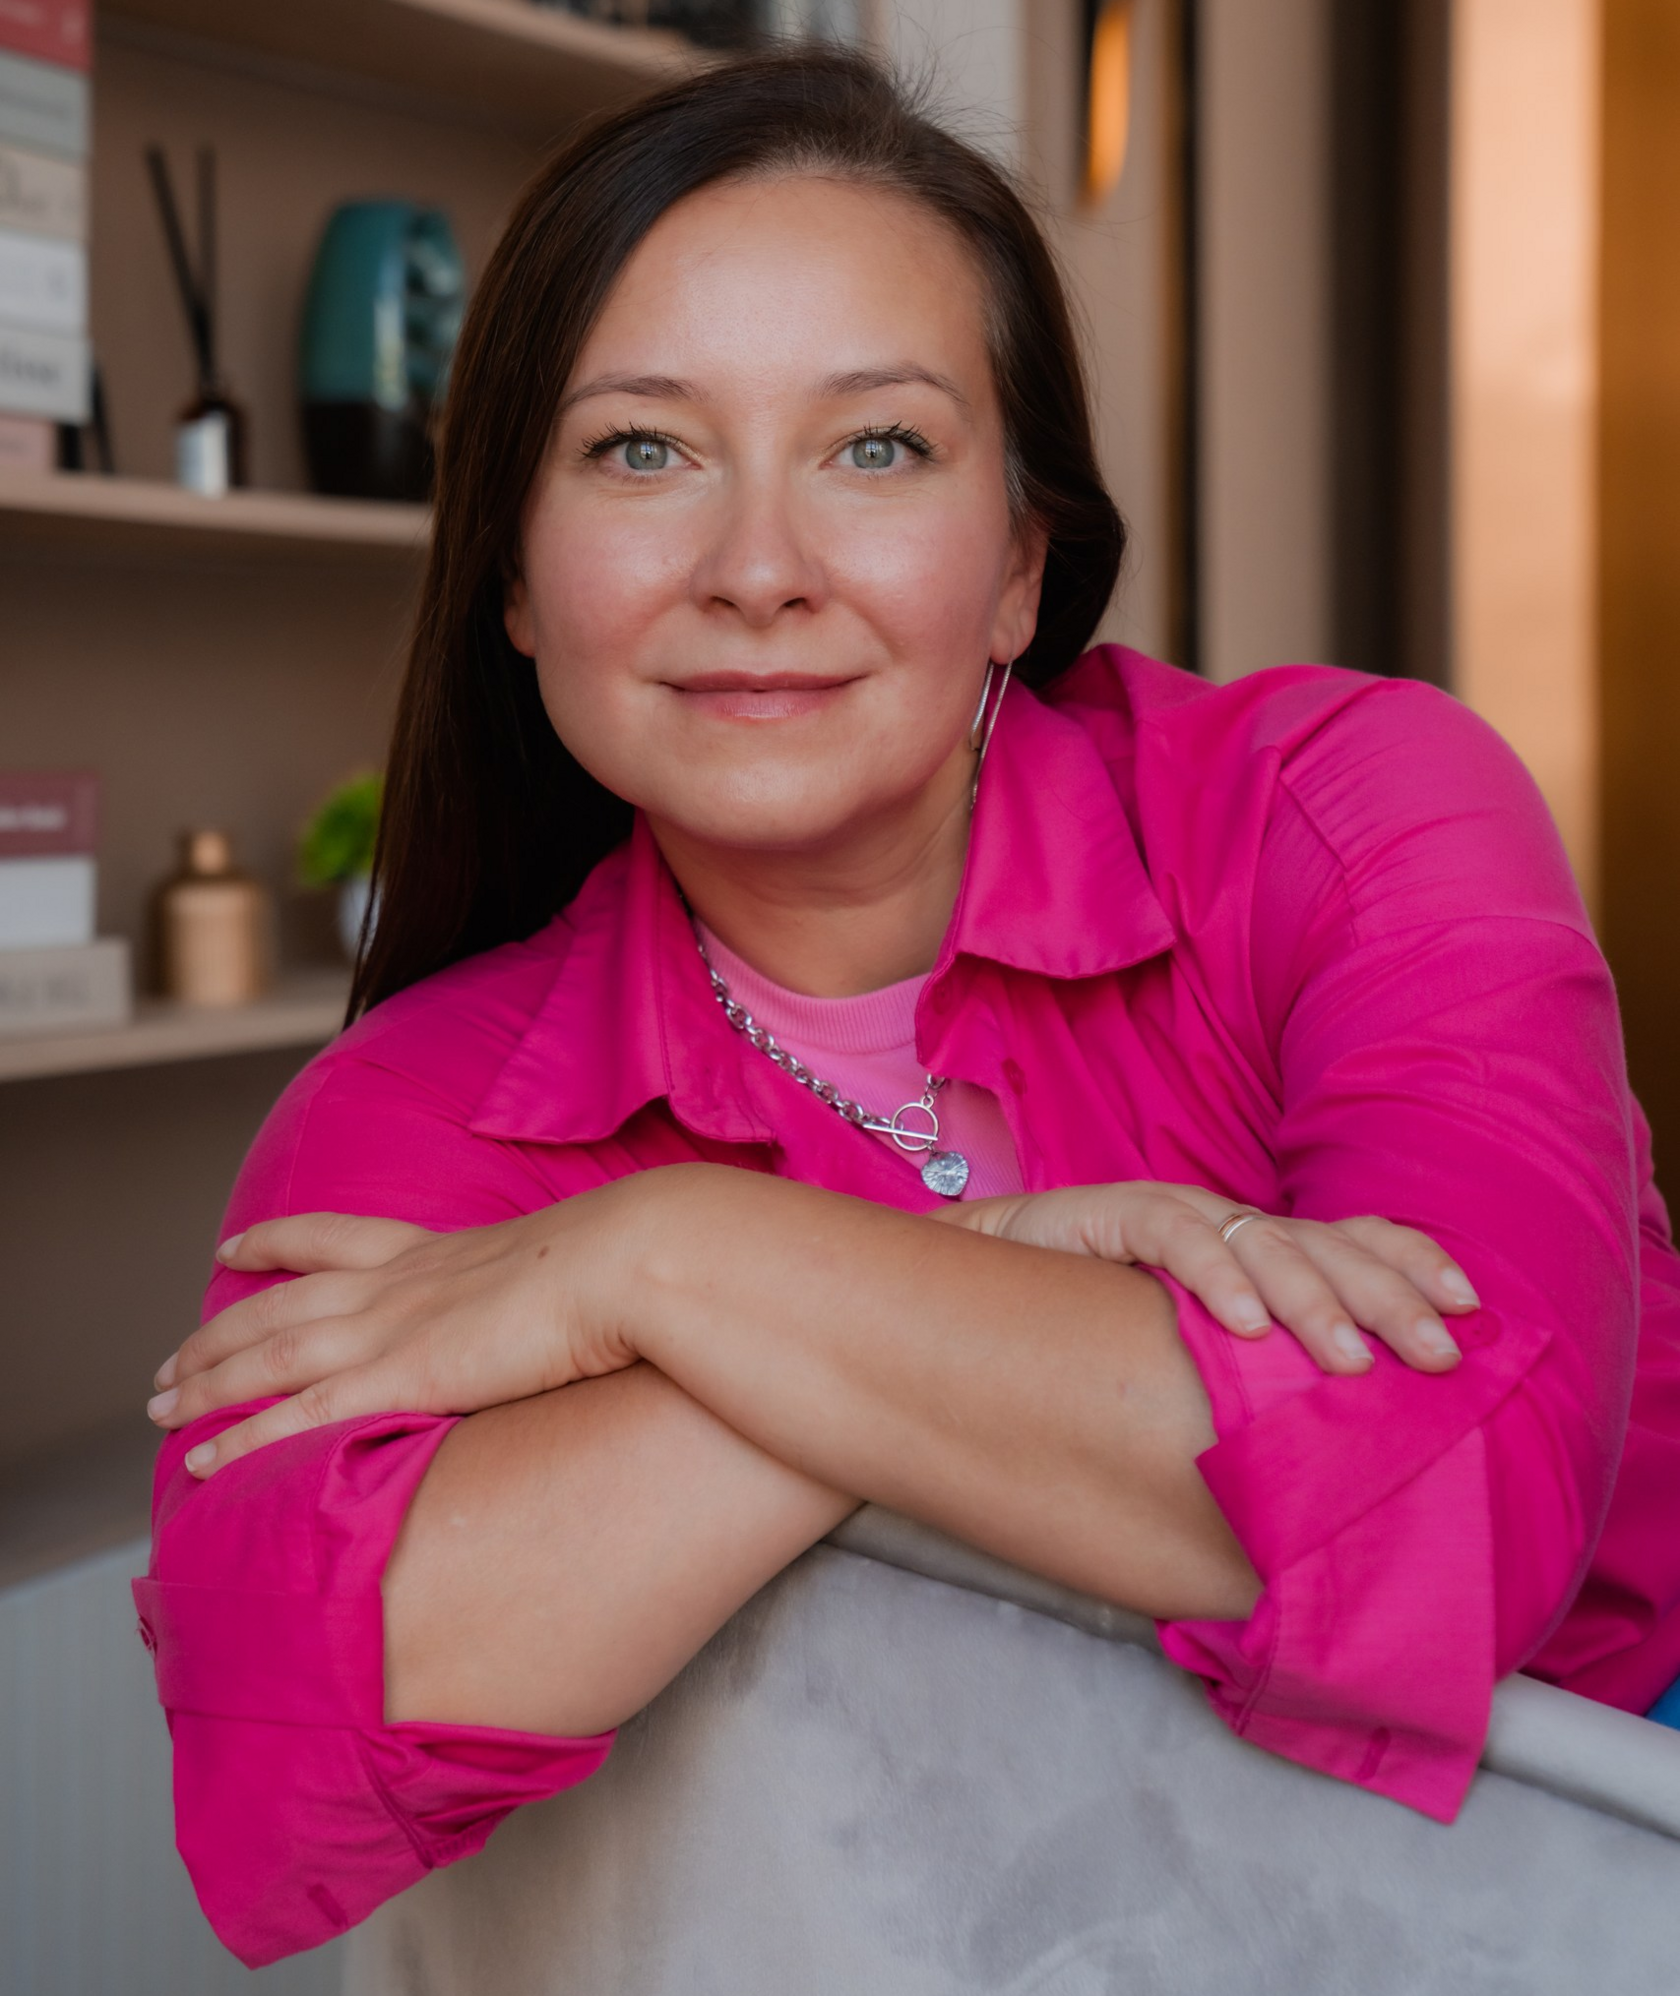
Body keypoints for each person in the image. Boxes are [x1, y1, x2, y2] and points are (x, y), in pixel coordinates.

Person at [132, 47, 1680, 1971]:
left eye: (875, 448)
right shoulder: (424, 1107)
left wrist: (665, 1266)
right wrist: (982, 1276)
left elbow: (1447, 1499)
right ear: (514, 578)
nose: (757, 572)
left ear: (1022, 564)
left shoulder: (1350, 810)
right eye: (642, 452)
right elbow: (299, 1707)